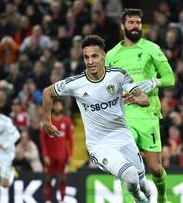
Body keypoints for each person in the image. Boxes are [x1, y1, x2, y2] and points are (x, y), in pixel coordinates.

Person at [42, 35, 151, 203]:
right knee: (130, 176)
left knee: (142, 179)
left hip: (123, 137)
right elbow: (48, 92)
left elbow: (145, 99)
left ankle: (148, 198)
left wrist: (137, 100)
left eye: (94, 56)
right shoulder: (76, 83)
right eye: (86, 57)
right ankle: (139, 200)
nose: (90, 61)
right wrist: (47, 121)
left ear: (103, 56)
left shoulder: (118, 76)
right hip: (99, 144)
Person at [105, 8, 175, 203]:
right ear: (122, 26)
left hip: (147, 115)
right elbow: (108, 87)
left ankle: (161, 196)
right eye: (131, 23)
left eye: (138, 23)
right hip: (124, 116)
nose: (135, 26)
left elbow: (170, 78)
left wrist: (155, 82)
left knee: (156, 169)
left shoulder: (151, 48)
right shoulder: (112, 55)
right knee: (126, 163)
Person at [40, 98, 74, 203]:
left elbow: (70, 139)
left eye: (60, 105)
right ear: (52, 106)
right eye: (55, 105)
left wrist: (71, 155)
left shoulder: (67, 121)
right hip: (50, 156)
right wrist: (45, 155)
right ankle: (48, 200)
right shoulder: (47, 121)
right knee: (48, 178)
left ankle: (62, 199)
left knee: (62, 178)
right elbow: (43, 139)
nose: (57, 107)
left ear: (63, 107)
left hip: (62, 156)